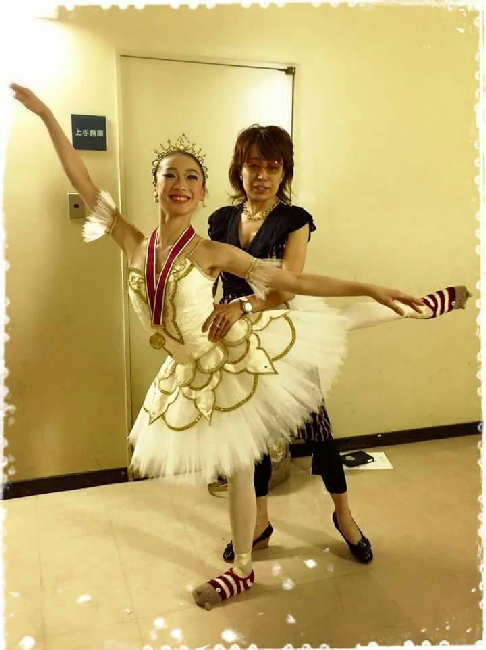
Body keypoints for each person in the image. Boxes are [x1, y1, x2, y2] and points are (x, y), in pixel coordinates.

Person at [8, 83, 448, 611]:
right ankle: (245, 561)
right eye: (170, 174)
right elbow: (80, 178)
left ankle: (414, 305)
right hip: (190, 366)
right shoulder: (131, 240)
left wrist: (369, 285)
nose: (180, 183)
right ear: (155, 186)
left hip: (233, 348)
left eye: (191, 177)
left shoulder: (214, 250)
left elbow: (293, 283)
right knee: (242, 459)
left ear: (202, 193)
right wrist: (46, 114)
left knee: (332, 334)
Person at [204, 125, 471, 566]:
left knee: (319, 432)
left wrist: (243, 306)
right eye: (253, 165)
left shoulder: (294, 220)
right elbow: (212, 275)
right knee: (252, 437)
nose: (262, 175)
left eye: (272, 166)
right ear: (239, 168)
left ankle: (344, 517)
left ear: (284, 171)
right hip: (237, 341)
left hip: (285, 333)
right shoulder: (219, 220)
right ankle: (259, 524)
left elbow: (288, 288)